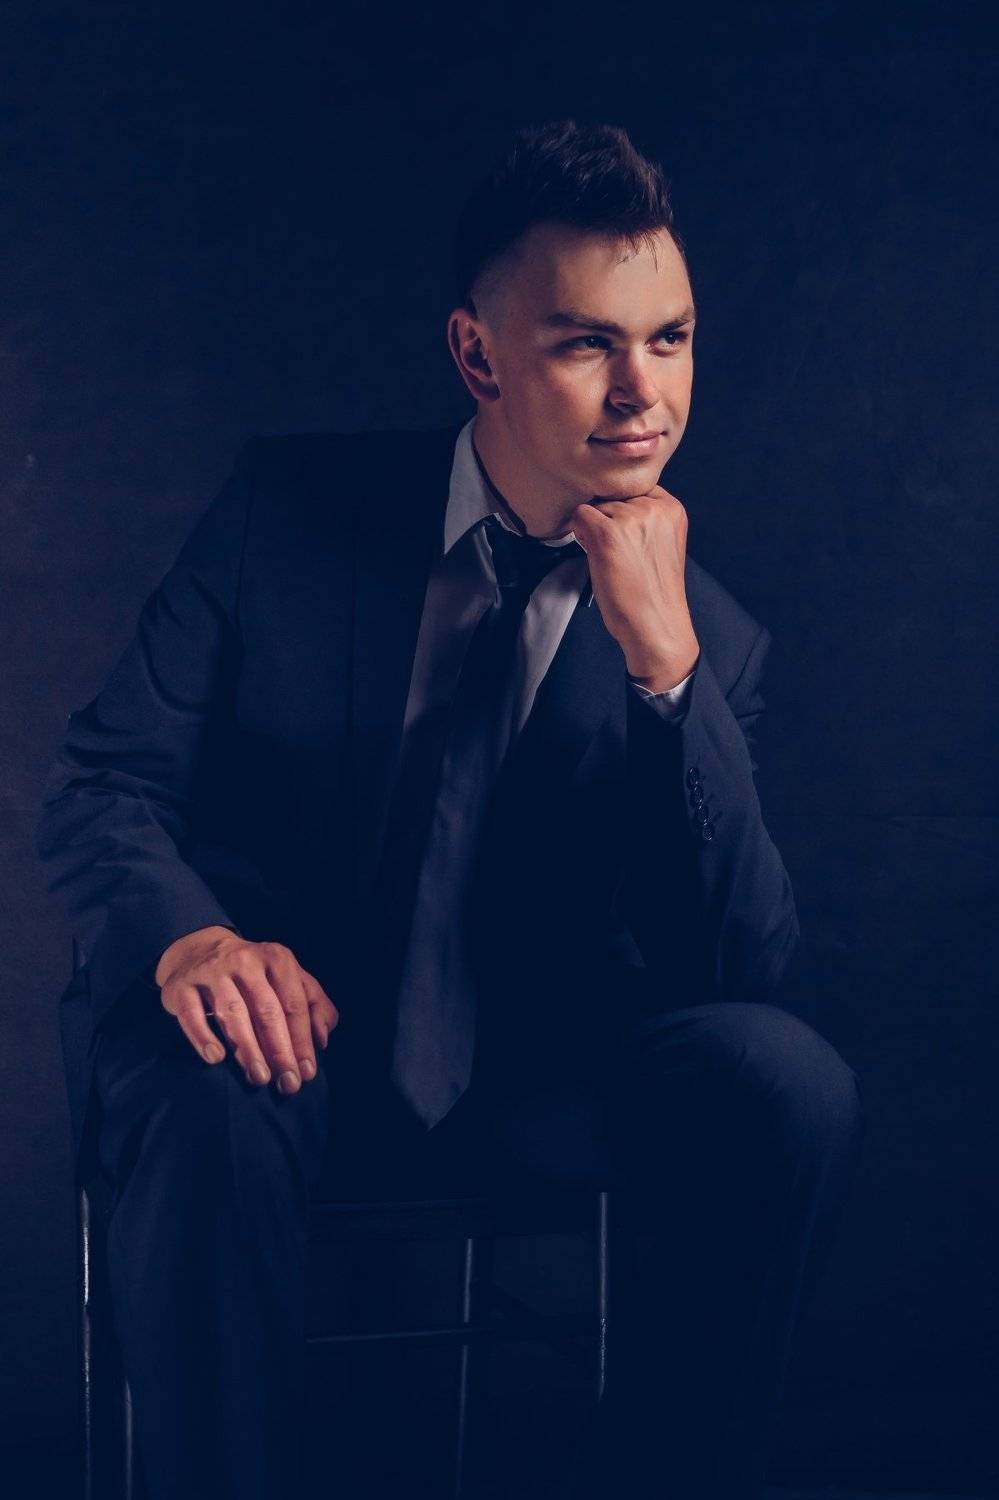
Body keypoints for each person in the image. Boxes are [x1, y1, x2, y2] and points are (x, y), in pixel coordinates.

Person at [35, 118, 864, 1500]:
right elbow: (104, 781)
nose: (643, 392)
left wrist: (667, 673)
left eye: (670, 339)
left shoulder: (708, 640)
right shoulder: (286, 512)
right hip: (270, 1057)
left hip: (534, 1075)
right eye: (587, 343)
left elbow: (740, 967)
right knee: (212, 1076)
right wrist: (193, 939)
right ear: (478, 355)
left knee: (785, 1082)